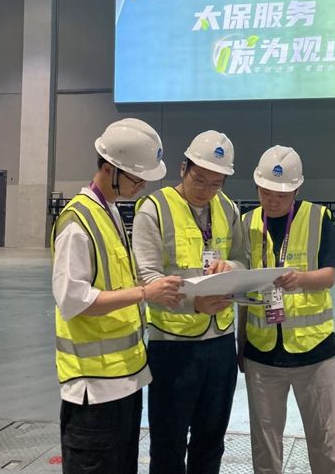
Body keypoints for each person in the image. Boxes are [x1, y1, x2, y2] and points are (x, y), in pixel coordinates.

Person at [51, 118, 185, 474]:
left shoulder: (109, 211)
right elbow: (72, 300)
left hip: (124, 380)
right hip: (93, 390)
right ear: (110, 169)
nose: (141, 187)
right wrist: (145, 293)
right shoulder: (78, 222)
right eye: (136, 179)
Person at [132, 130, 248, 474]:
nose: (206, 190)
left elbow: (243, 259)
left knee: (211, 442)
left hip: (221, 344)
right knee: (168, 444)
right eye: (200, 179)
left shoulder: (227, 208)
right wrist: (193, 305)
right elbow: (147, 280)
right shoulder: (154, 209)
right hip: (173, 346)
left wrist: (231, 268)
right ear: (183, 168)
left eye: (216, 183)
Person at [238, 146, 335, 474]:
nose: (272, 200)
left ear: (296, 190)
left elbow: (329, 276)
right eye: (265, 192)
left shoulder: (317, 218)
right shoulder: (246, 223)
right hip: (262, 353)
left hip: (314, 352)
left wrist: (300, 279)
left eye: (281, 195)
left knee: (324, 439)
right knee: (265, 443)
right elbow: (243, 288)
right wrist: (241, 345)